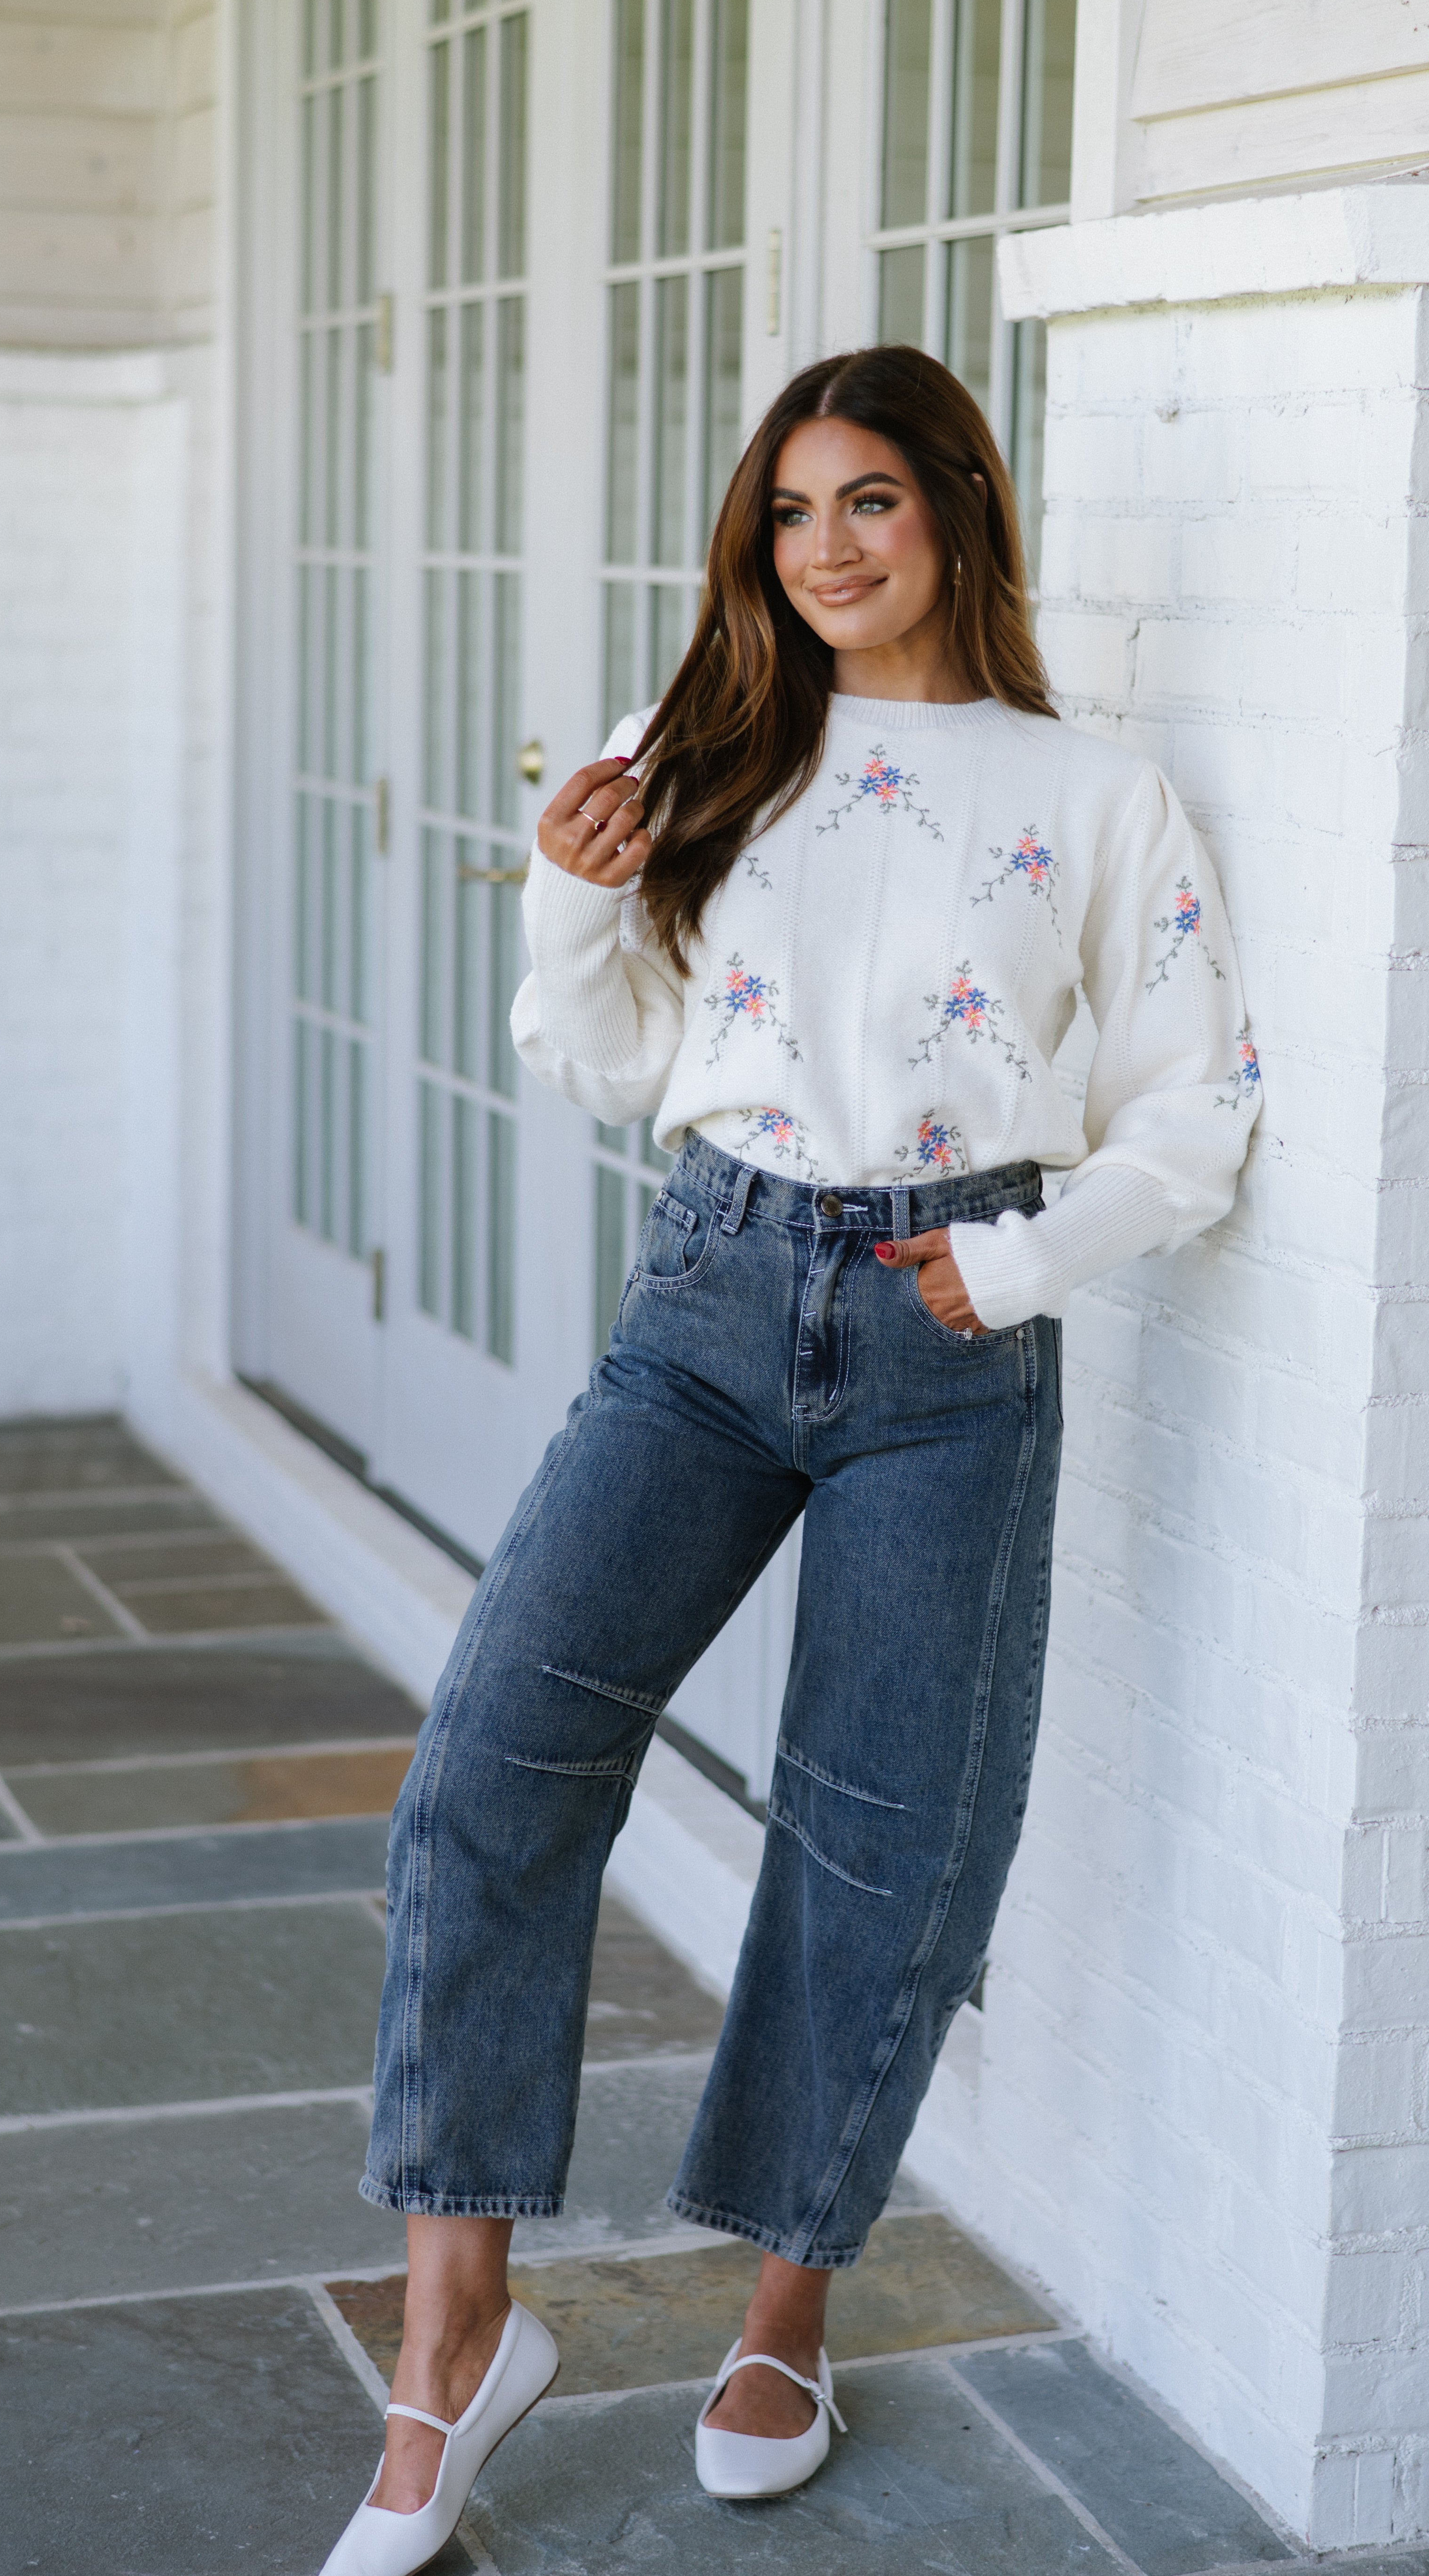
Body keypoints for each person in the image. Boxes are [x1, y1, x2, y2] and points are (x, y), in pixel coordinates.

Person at [318, 345, 1260, 2574]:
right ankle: (456, 2339)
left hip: (951, 1328)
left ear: (953, 509)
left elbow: (1194, 1106)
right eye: (786, 515)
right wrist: (563, 895)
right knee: (494, 1759)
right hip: (713, 1303)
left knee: (880, 1839)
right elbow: (617, 1054)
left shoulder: (1091, 791)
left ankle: (787, 2309)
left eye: (867, 504)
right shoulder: (706, 752)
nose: (823, 551)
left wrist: (1016, 1270)